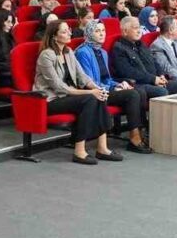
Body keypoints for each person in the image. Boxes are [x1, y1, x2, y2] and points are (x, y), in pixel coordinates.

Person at [35, 21, 119, 164]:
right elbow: (59, 87)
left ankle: (102, 148)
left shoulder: (68, 52)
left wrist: (97, 89)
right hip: (51, 100)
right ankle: (79, 151)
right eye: (64, 31)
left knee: (100, 96)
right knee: (90, 98)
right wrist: (89, 93)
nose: (69, 33)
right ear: (54, 36)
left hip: (68, 96)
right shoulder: (46, 55)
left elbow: (83, 77)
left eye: (69, 30)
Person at [73, 20, 151, 152]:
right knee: (132, 94)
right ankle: (134, 137)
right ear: (89, 33)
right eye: (97, 31)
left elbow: (107, 78)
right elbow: (88, 82)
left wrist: (119, 84)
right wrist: (113, 88)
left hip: (105, 88)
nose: (101, 34)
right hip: (94, 92)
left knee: (138, 90)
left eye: (103, 30)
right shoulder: (83, 52)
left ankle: (140, 131)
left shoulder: (102, 52)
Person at [110, 16, 173, 103]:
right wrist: (153, 79)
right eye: (135, 28)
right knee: (162, 92)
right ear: (125, 31)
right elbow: (128, 72)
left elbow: (153, 61)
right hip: (139, 83)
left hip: (154, 79)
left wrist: (161, 74)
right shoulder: (119, 48)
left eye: (139, 27)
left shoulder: (141, 44)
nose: (139, 30)